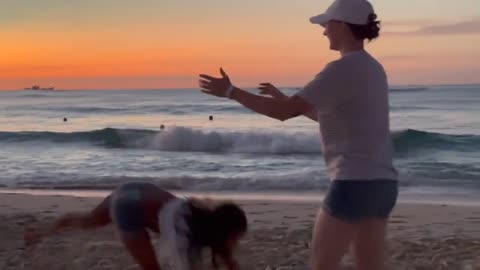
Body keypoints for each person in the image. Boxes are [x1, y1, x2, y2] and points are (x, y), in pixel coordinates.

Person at [198, 0, 398, 269]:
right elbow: (332, 118)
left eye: (327, 24)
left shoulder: (340, 69)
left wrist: (231, 92)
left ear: (340, 25)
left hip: (353, 184)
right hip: (383, 185)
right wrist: (289, 100)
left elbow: (282, 113)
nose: (324, 31)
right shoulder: (374, 69)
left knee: (321, 264)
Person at [24, 182, 247, 270]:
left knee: (89, 220)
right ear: (225, 231)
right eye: (237, 236)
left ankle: (40, 233)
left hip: (132, 188)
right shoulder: (185, 233)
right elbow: (181, 264)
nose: (237, 241)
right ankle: (41, 233)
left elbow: (229, 259)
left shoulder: (200, 216)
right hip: (128, 208)